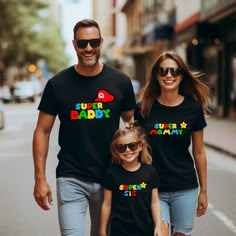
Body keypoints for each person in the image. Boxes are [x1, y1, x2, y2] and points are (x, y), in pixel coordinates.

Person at [32, 19, 136, 236]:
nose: (88, 48)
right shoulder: (57, 85)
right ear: (74, 44)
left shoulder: (120, 82)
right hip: (71, 177)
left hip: (110, 177)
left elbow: (133, 123)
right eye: (82, 43)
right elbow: (42, 131)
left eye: (93, 42)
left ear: (101, 42)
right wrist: (40, 179)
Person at [134, 51, 211, 236]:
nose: (169, 75)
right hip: (154, 187)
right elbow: (134, 148)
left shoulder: (193, 109)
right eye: (163, 71)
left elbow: (199, 152)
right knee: (159, 232)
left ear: (182, 75)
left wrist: (204, 191)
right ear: (156, 75)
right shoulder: (143, 108)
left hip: (185, 186)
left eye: (174, 71)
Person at [99, 123, 162, 236]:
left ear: (140, 146)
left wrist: (158, 226)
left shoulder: (150, 172)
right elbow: (107, 204)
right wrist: (102, 230)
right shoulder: (111, 173)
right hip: (119, 231)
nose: (127, 150)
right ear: (115, 151)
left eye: (132, 146)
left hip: (145, 231)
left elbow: (155, 202)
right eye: (121, 147)